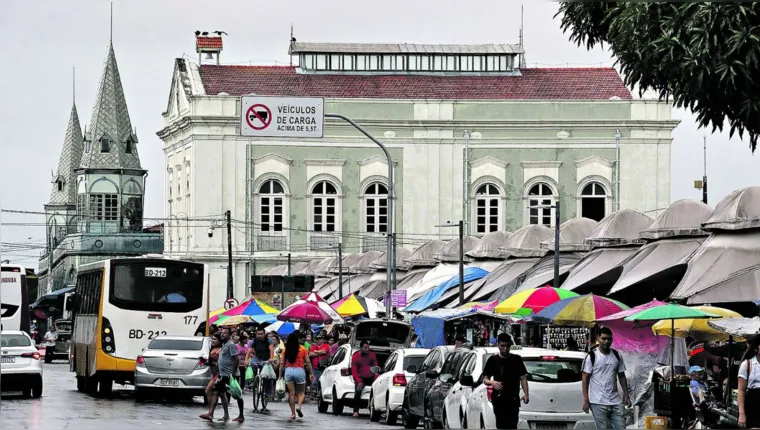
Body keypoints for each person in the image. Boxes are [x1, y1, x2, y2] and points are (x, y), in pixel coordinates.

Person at [581, 327, 630, 430]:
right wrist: (586, 400)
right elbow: (585, 378)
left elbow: (621, 375)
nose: (606, 341)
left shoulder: (617, 355)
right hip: (598, 402)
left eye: (609, 339)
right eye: (603, 338)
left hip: (615, 401)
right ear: (598, 338)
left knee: (621, 427)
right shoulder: (592, 356)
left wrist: (626, 395)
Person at [482, 333, 529, 429]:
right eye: (502, 346)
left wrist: (526, 394)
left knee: (512, 425)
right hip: (499, 400)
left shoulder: (516, 359)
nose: (505, 348)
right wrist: (492, 382)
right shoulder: (493, 360)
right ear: (498, 345)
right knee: (501, 425)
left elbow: (523, 378)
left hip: (513, 400)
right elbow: (485, 379)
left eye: (508, 346)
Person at [201, 328, 244, 423]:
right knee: (218, 392)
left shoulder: (231, 345)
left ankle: (240, 415)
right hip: (223, 374)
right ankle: (213, 414)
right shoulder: (224, 345)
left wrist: (232, 373)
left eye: (225, 333)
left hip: (230, 375)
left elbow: (236, 359)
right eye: (222, 333)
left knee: (237, 394)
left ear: (229, 335)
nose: (222, 334)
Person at [279, 331, 313, 422]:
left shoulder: (285, 350)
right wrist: (311, 372)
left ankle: (293, 414)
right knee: (301, 392)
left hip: (288, 371)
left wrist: (280, 376)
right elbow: (308, 362)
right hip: (299, 371)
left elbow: (282, 363)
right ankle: (299, 406)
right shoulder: (303, 349)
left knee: (291, 394)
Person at [246, 327, 275, 404]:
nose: (260, 336)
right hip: (257, 358)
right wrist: (246, 360)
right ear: (256, 334)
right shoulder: (253, 341)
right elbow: (249, 351)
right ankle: (253, 380)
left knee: (268, 377)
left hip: (266, 359)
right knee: (252, 365)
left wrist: (271, 359)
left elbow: (271, 350)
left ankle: (268, 394)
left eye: (261, 334)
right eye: (258, 334)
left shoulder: (269, 340)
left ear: (264, 334)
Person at [351, 340, 379, 417]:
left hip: (370, 376)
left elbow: (376, 368)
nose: (367, 349)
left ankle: (376, 410)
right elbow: (354, 371)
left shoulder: (372, 355)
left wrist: (376, 379)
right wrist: (359, 381)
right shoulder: (355, 356)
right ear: (361, 348)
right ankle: (355, 411)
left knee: (378, 389)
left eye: (368, 347)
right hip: (361, 377)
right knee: (358, 391)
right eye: (365, 347)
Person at [738, 336, 760, 429]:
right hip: (754, 403)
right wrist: (742, 413)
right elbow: (741, 391)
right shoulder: (747, 364)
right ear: (756, 348)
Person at [200, 334, 222, 421]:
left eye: (215, 339)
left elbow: (221, 362)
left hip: (218, 374)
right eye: (212, 339)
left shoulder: (220, 350)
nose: (213, 340)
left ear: (219, 341)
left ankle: (210, 412)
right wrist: (203, 361)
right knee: (222, 395)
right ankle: (211, 413)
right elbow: (209, 363)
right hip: (214, 374)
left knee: (208, 390)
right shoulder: (212, 349)